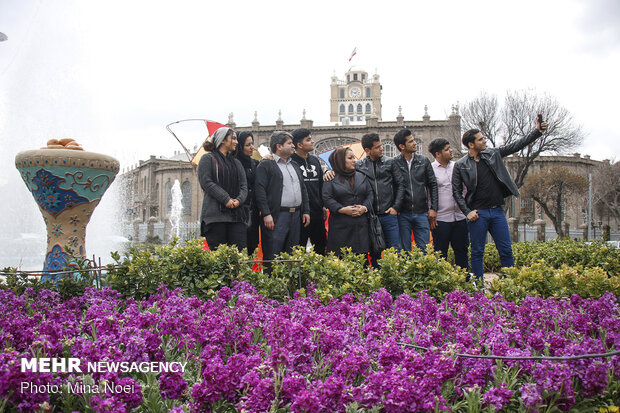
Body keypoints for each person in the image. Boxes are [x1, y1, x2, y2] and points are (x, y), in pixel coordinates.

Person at [452, 117, 548, 280]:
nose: (484, 141)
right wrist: (467, 212)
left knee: (506, 250)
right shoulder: (461, 165)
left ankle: (509, 284)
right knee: (477, 252)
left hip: (497, 212)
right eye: (481, 139)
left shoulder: (493, 154)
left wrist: (537, 132)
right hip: (478, 214)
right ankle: (479, 288)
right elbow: (456, 191)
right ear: (471, 144)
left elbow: (516, 145)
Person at [255, 131, 310, 270]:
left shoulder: (295, 165)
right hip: (277, 216)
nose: (293, 146)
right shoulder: (266, 165)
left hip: (296, 216)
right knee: (273, 256)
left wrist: (306, 211)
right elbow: (260, 191)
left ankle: (290, 291)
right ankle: (271, 290)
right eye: (289, 143)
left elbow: (303, 189)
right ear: (279, 146)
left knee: (291, 257)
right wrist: (266, 213)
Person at [356, 133, 404, 266]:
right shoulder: (359, 166)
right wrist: (327, 172)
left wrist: (396, 207)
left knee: (394, 250)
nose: (381, 149)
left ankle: (394, 281)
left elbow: (400, 185)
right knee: (374, 250)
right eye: (377, 147)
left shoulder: (390, 162)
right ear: (367, 150)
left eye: (381, 145)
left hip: (389, 214)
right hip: (370, 216)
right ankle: (378, 282)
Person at [198, 127, 248, 251]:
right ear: (223, 140)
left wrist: (238, 200)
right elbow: (206, 182)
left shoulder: (237, 163)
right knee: (219, 257)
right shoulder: (208, 159)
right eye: (233, 138)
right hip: (215, 216)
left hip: (237, 216)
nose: (236, 142)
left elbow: (244, 186)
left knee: (240, 254)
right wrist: (226, 199)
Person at [322, 147, 374, 257]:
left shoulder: (361, 176)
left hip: (360, 225)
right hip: (340, 226)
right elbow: (327, 198)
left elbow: (370, 194)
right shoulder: (331, 178)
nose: (354, 160)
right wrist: (342, 209)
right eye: (350, 158)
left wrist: (364, 208)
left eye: (354, 158)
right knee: (341, 260)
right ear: (340, 160)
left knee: (361, 260)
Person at [392, 129, 438, 252]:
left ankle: (422, 272)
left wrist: (433, 208)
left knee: (424, 250)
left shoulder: (423, 161)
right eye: (411, 141)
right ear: (402, 146)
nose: (415, 143)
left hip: (422, 213)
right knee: (404, 252)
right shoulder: (394, 163)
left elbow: (433, 184)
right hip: (402, 214)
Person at [428, 138, 468, 269]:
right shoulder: (430, 170)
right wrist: (431, 212)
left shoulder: (458, 166)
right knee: (440, 254)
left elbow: (466, 188)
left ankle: (465, 284)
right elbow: (427, 193)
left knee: (462, 252)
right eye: (446, 149)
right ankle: (444, 285)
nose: (451, 151)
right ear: (438, 154)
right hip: (441, 219)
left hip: (460, 217)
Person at [290, 128, 327, 255]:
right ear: (299, 145)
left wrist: (322, 205)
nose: (312, 142)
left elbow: (320, 185)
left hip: (317, 212)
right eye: (308, 140)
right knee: (299, 250)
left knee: (321, 248)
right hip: (300, 214)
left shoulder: (315, 160)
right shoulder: (291, 162)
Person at [234, 131, 260, 254]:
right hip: (238, 211)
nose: (252, 147)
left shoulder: (254, 163)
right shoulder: (232, 163)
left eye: (252, 144)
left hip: (252, 211)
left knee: (251, 246)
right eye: (247, 145)